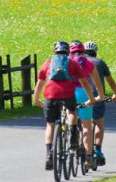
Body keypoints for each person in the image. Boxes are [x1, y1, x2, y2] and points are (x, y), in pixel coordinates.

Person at [32, 40, 103, 170]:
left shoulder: (48, 63)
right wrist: (92, 98)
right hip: (67, 93)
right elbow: (84, 82)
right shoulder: (72, 63)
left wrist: (36, 99)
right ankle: (73, 136)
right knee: (72, 111)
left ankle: (49, 153)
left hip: (50, 95)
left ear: (55, 51)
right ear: (67, 52)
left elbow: (40, 83)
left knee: (50, 124)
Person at [83, 40, 116, 166]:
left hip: (82, 96)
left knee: (83, 124)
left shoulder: (79, 62)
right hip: (98, 97)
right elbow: (110, 80)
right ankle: (97, 150)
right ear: (95, 52)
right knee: (99, 123)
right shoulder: (99, 63)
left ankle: (82, 148)